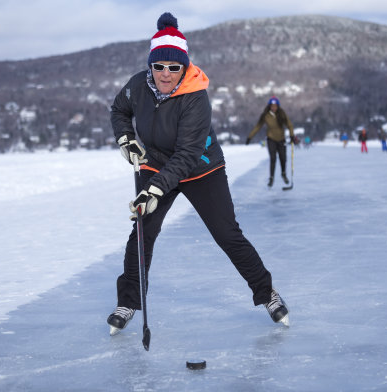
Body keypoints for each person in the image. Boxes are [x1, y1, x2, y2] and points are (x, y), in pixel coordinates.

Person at [107, 12, 290, 334]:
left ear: (185, 67)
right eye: (158, 66)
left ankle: (267, 294)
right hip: (154, 163)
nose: (165, 74)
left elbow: (187, 154)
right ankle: (129, 302)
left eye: (174, 67)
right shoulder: (138, 84)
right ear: (150, 65)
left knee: (227, 234)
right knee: (142, 233)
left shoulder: (195, 97)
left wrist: (155, 190)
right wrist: (126, 138)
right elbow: (119, 110)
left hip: (200, 167)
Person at [245, 97, 295, 187]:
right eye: (272, 106)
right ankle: (271, 178)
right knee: (273, 158)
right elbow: (258, 126)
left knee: (283, 158)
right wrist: (250, 137)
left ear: (278, 106)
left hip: (281, 139)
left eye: (275, 106)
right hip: (271, 139)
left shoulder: (282, 113)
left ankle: (283, 173)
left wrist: (292, 135)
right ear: (269, 106)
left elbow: (289, 124)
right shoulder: (266, 115)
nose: (274, 107)